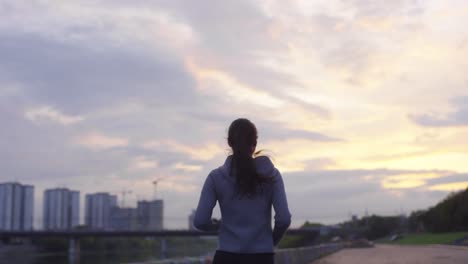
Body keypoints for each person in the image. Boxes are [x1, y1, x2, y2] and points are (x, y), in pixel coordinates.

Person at [193, 118, 291, 264]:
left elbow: (200, 221)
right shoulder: (272, 175)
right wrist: (270, 241)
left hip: (226, 257)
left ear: (229, 142)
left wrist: (220, 226)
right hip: (261, 258)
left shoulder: (216, 177)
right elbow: (283, 219)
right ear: (255, 143)